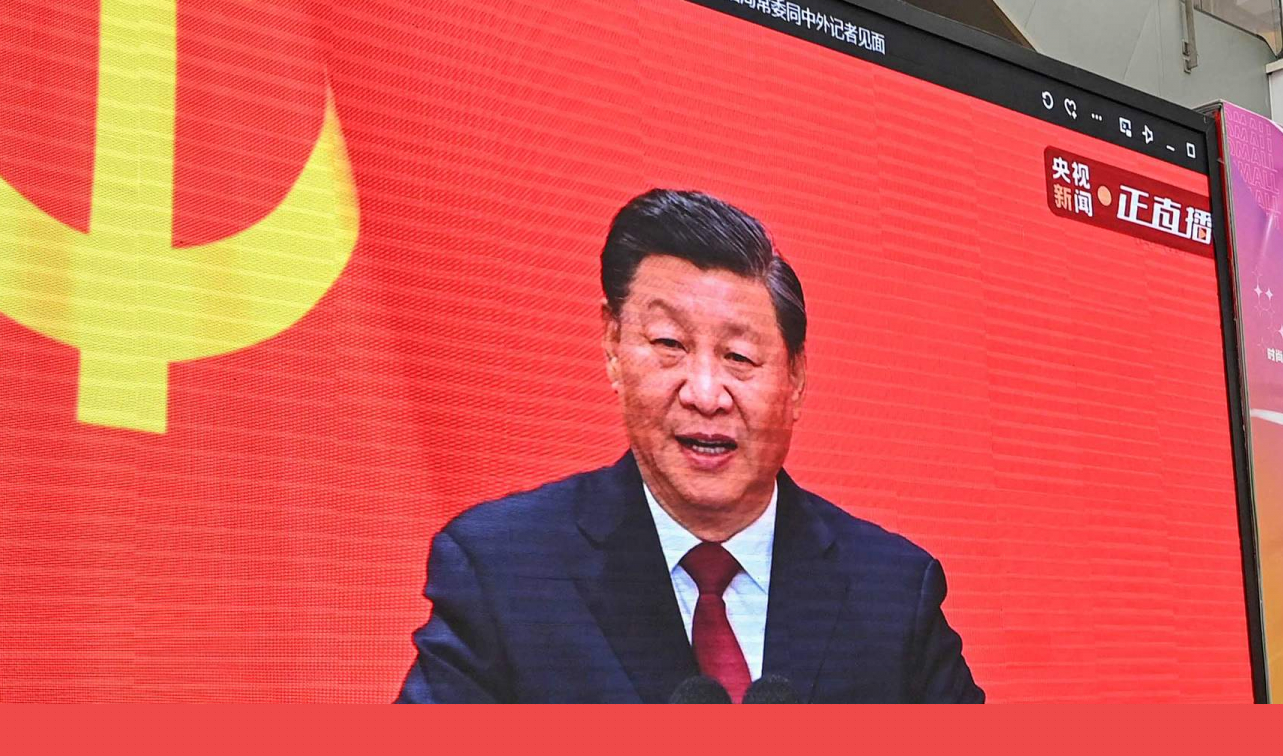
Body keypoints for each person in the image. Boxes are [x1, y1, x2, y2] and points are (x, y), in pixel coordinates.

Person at [400, 189, 982, 703]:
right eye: (669, 344)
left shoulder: (893, 593)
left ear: (797, 379)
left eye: (739, 357)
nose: (705, 395)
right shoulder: (503, 572)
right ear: (613, 346)